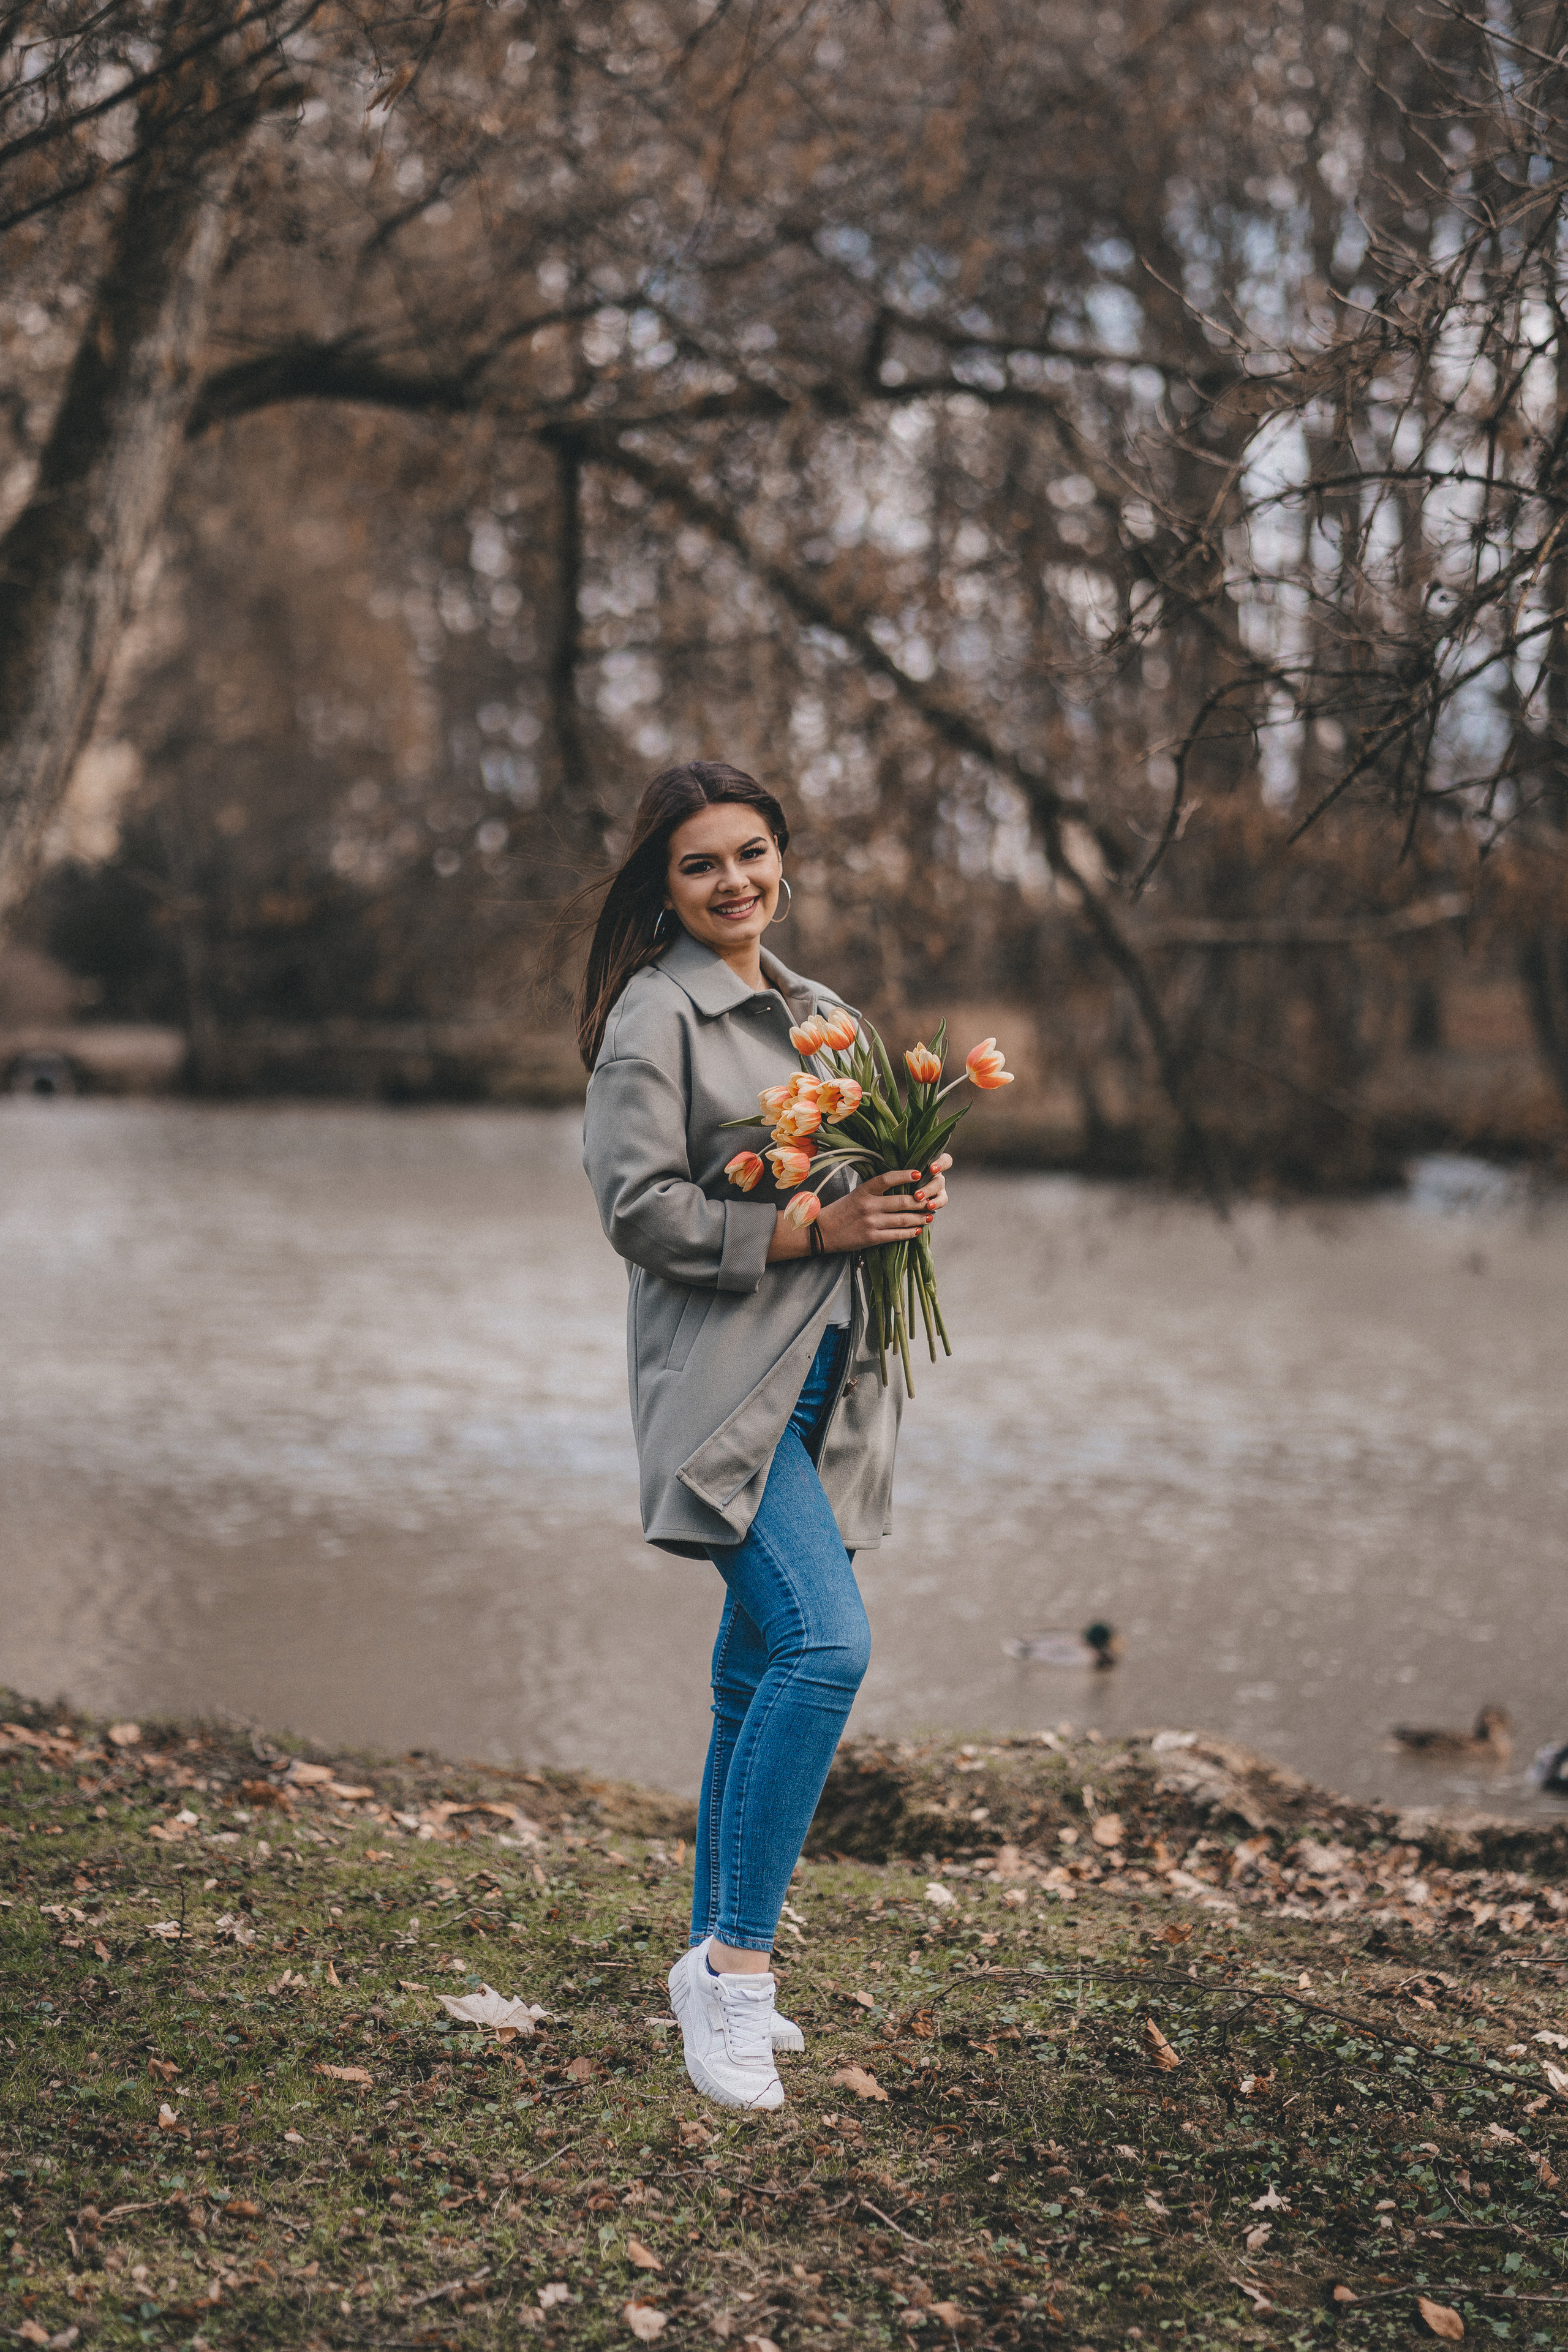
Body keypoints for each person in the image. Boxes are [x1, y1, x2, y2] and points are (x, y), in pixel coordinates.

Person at [576, 761, 951, 2111]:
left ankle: (706, 1958)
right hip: (722, 1392)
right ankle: (736, 1979)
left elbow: (844, 1183)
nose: (732, 881)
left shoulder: (824, 1016)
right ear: (662, 887)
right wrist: (808, 1226)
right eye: (698, 864)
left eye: (751, 853)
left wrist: (900, 1187)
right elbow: (636, 1209)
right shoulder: (654, 1017)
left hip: (823, 1383)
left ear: (780, 857)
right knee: (824, 1645)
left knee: (752, 1682)